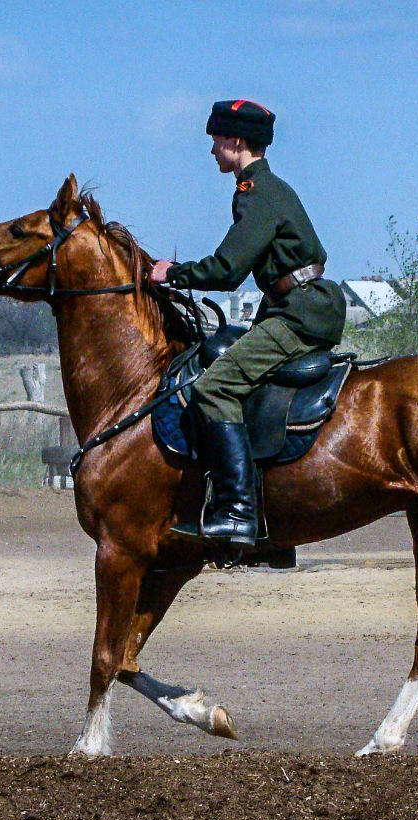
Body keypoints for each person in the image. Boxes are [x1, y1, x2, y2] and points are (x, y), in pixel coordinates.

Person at [149, 99, 346, 549]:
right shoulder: (267, 188)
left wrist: (171, 274)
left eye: (216, 140)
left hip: (299, 312)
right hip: (296, 307)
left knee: (215, 388)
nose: (212, 150)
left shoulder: (255, 191)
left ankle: (238, 512)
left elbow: (227, 269)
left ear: (236, 141)